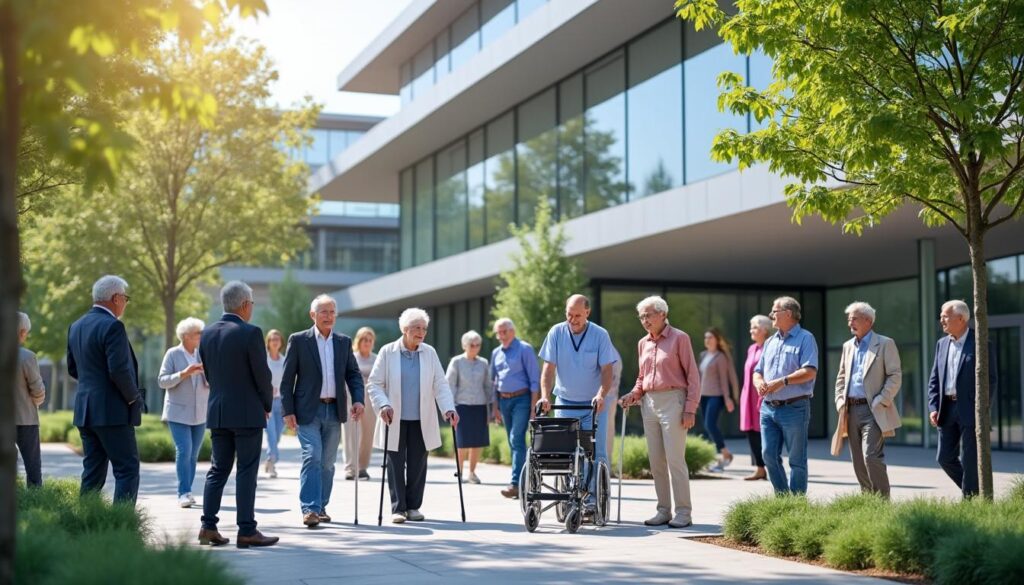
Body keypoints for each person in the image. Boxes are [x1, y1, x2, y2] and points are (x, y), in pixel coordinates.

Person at [198, 281, 278, 548]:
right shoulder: (251, 333)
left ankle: (208, 526)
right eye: (252, 303)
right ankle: (247, 530)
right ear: (245, 305)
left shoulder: (206, 333)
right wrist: (267, 404)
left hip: (218, 412)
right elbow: (262, 376)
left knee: (217, 469)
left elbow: (209, 374)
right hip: (246, 414)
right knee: (246, 471)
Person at [366, 308, 458, 524]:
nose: (421, 332)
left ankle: (414, 506)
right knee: (395, 463)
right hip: (394, 418)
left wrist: (448, 409)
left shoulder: (430, 352)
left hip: (420, 418)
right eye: (417, 328)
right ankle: (398, 508)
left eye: (424, 328)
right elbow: (374, 384)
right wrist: (383, 405)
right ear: (405, 329)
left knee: (418, 463)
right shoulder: (388, 352)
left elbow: (440, 384)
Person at [280, 294, 365, 527]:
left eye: (332, 312)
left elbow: (353, 375)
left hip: (334, 410)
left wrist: (358, 400)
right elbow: (287, 380)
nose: (328, 316)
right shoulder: (299, 341)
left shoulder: (343, 342)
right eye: (323, 312)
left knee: (327, 463)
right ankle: (310, 508)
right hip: (308, 409)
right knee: (313, 455)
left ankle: (321, 506)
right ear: (313, 315)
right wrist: (287, 410)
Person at [620, 296, 701, 528]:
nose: (645, 320)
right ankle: (663, 510)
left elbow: (693, 376)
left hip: (673, 400)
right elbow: (642, 377)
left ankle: (684, 512)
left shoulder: (679, 338)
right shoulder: (642, 343)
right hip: (649, 403)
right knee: (656, 461)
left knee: (675, 460)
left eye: (649, 315)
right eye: (642, 316)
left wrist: (690, 408)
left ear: (663, 314)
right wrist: (634, 394)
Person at [537, 294, 618, 507]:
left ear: (587, 313)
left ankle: (593, 499)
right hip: (564, 402)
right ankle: (570, 495)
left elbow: (607, 371)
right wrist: (545, 396)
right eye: (569, 315)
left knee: (596, 453)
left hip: (593, 405)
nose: (573, 320)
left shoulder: (600, 335)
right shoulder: (556, 332)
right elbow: (548, 370)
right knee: (566, 453)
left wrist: (601, 394)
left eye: (578, 316)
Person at [67, 275, 142, 503]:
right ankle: (121, 527)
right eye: (125, 299)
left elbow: (73, 369)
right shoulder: (113, 326)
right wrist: (133, 398)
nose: (126, 304)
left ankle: (83, 524)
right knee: (127, 469)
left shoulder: (76, 326)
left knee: (92, 473)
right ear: (116, 298)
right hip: (113, 411)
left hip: (86, 411)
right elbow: (118, 370)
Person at [927, 300, 997, 498]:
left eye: (945, 316)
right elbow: (934, 379)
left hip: (970, 408)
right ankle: (974, 493)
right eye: (941, 316)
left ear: (961, 318)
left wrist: (981, 407)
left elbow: (991, 380)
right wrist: (933, 406)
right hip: (946, 407)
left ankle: (970, 500)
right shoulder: (941, 344)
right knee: (944, 457)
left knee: (969, 460)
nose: (941, 319)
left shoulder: (981, 344)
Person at [833, 302, 902, 498]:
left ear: (868, 321)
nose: (850, 323)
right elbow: (841, 377)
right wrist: (839, 401)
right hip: (850, 410)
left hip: (874, 409)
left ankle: (882, 501)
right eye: (849, 319)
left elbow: (895, 375)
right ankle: (868, 500)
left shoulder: (885, 343)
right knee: (858, 461)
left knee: (871, 456)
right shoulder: (848, 346)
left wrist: (881, 399)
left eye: (854, 318)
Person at [753, 296, 818, 495]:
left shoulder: (806, 338)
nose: (771, 315)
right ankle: (783, 500)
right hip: (768, 408)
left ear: (788, 313)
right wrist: (759, 383)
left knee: (796, 460)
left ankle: (797, 504)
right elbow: (758, 370)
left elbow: (810, 371)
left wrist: (782, 382)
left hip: (795, 407)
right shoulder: (771, 341)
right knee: (768, 456)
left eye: (775, 311)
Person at [158, 317, 209, 508]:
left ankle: (187, 489)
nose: (201, 337)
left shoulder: (201, 354)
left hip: (200, 413)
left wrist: (208, 377)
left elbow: (209, 381)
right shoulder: (173, 354)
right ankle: (183, 492)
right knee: (184, 450)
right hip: (178, 413)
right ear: (186, 336)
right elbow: (162, 381)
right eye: (198, 334)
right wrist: (184, 374)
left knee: (193, 454)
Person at [490, 317, 540, 499]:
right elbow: (493, 382)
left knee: (516, 438)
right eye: (499, 332)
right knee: (514, 442)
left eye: (505, 331)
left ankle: (515, 483)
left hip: (522, 399)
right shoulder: (496, 353)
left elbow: (535, 379)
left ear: (513, 331)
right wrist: (494, 407)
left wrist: (534, 407)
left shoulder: (524, 349)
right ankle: (525, 479)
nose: (502, 335)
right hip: (504, 401)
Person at [446, 330, 493, 484]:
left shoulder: (484, 363)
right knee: (462, 441)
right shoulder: (456, 362)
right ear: (464, 345)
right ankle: (459, 471)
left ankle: (472, 472)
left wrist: (490, 409)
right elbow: (450, 385)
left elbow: (488, 386)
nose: (474, 347)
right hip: (462, 406)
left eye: (477, 345)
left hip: (479, 406)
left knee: (477, 441)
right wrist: (449, 407)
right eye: (471, 345)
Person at [699, 327, 739, 471]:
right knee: (707, 426)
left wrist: (727, 398)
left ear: (717, 340)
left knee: (710, 425)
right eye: (705, 337)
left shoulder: (720, 357)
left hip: (716, 396)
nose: (707, 340)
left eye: (710, 337)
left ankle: (724, 453)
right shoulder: (703, 355)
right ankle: (720, 456)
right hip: (703, 396)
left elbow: (724, 379)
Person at [344, 326, 378, 481]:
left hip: (370, 400)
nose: (367, 342)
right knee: (351, 433)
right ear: (358, 340)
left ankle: (363, 467)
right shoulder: (351, 357)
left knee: (367, 433)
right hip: (351, 398)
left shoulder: (377, 359)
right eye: (364, 339)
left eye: (370, 340)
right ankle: (351, 468)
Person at [16, 311, 46, 487]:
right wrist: (36, 401)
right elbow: (37, 389)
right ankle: (34, 506)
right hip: (24, 419)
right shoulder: (27, 357)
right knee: (33, 468)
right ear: (21, 332)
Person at [740, 315, 772, 481]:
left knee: (764, 432)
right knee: (751, 431)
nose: (751, 330)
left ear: (765, 330)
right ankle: (760, 468)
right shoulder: (751, 349)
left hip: (762, 396)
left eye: (754, 327)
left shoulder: (770, 347)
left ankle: (771, 467)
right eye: (751, 327)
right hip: (748, 396)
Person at [263, 329, 286, 479]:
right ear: (268, 343)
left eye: (277, 339)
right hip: (267, 402)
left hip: (281, 402)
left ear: (281, 342)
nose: (275, 341)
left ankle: (270, 458)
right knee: (271, 434)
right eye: (272, 339)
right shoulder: (264, 360)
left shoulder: (285, 360)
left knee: (277, 435)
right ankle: (272, 461)